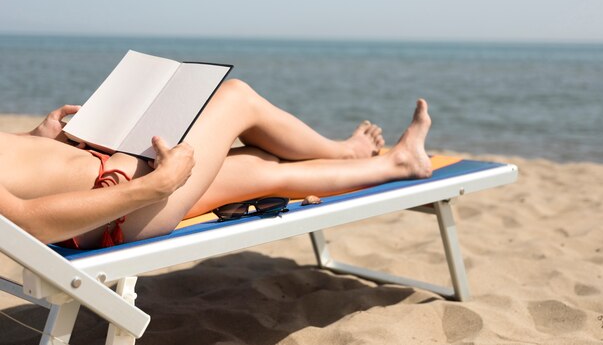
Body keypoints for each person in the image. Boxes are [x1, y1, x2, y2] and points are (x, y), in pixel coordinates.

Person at [0, 79, 432, 249]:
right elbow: (25, 222)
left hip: (111, 186)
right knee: (235, 97)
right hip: (116, 205)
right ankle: (346, 150)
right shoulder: (138, 192)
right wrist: (155, 187)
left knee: (258, 166)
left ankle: (400, 162)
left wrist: (36, 141)